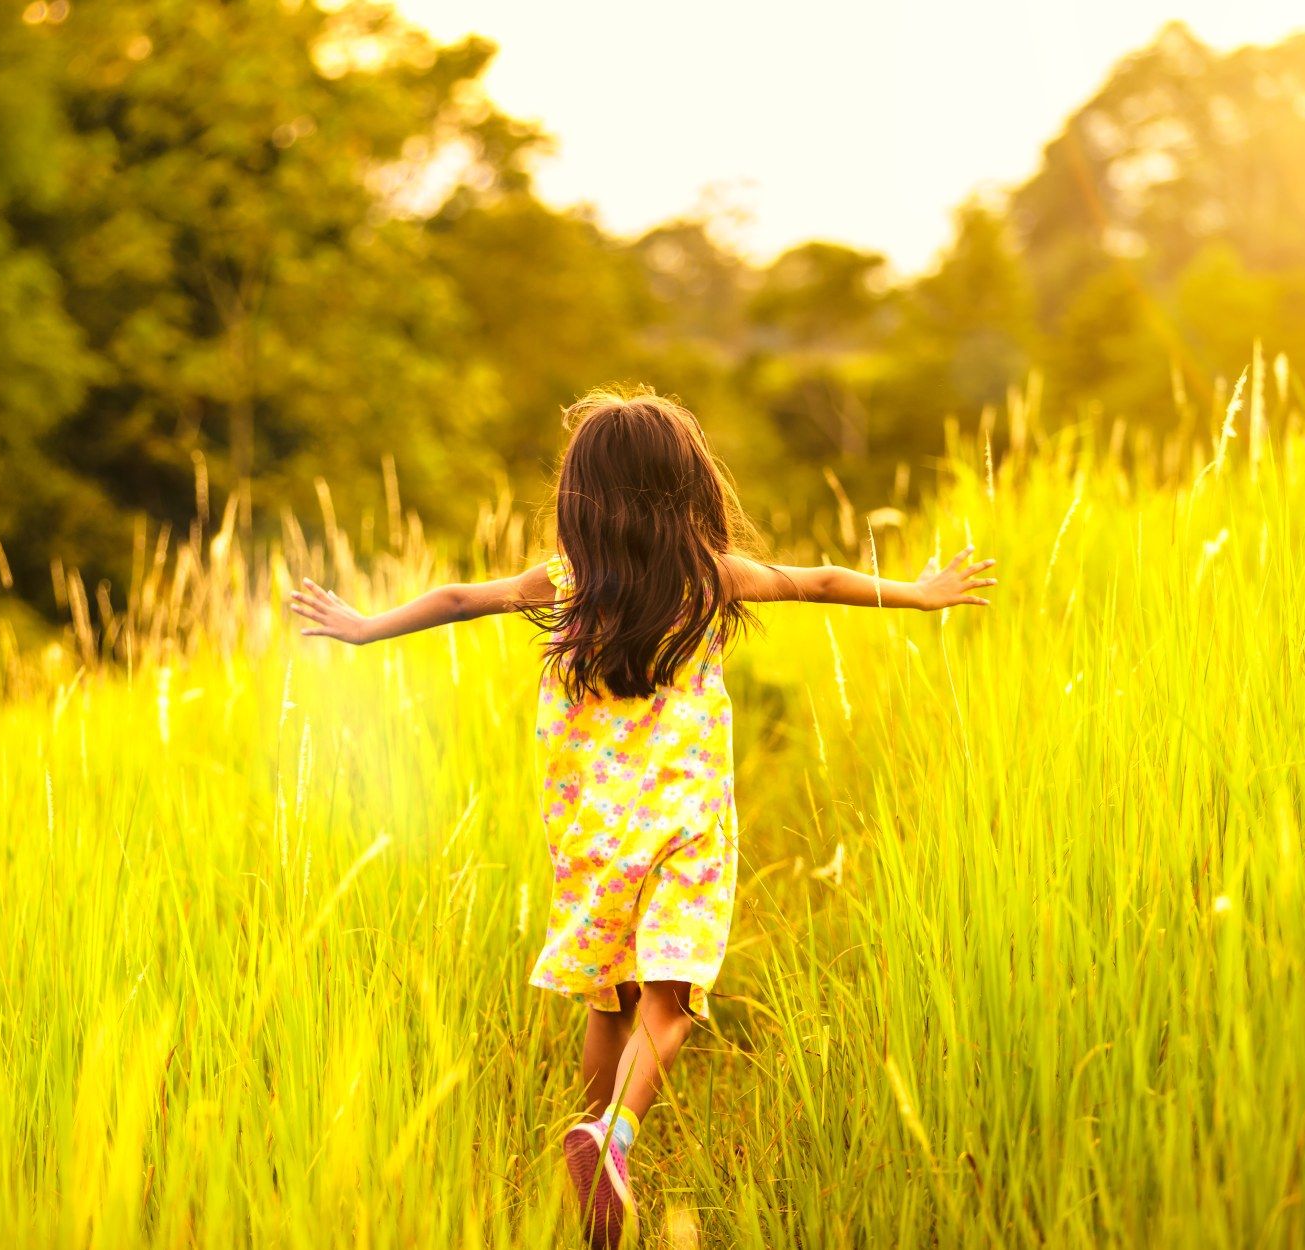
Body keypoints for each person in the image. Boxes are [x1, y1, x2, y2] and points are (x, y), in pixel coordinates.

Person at [288, 387, 997, 1248]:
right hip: (686, 825)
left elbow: (456, 598)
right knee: (673, 998)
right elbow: (817, 580)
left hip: (591, 828)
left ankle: (594, 1174)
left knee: (610, 999)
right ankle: (612, 1142)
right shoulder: (710, 576)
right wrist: (921, 595)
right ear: (687, 487)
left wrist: (363, 628)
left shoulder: (567, 582)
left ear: (579, 498)